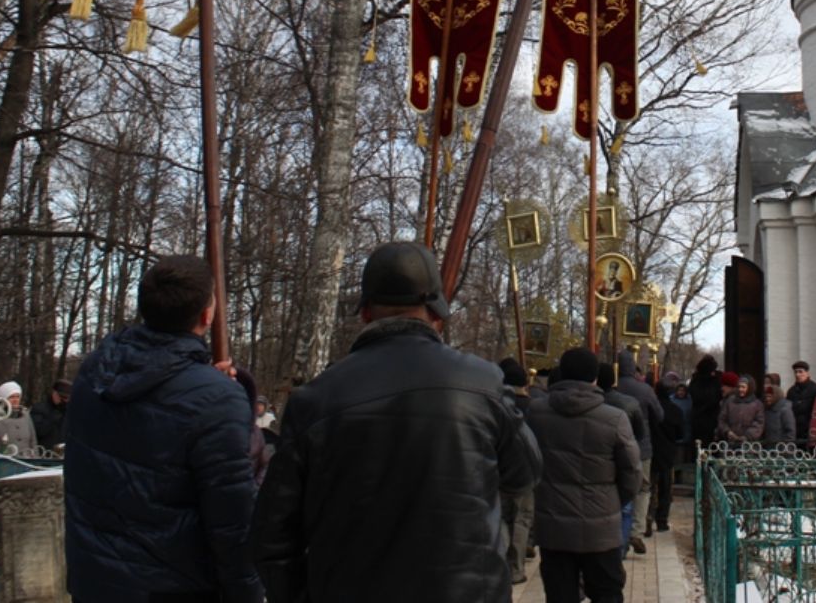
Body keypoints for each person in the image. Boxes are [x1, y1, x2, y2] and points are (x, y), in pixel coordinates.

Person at [251, 242, 542, 603]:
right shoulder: (483, 384)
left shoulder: (315, 398)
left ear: (365, 313)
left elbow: (272, 535)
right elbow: (525, 474)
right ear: (436, 313)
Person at [65, 254, 261, 603]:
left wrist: (214, 389)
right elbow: (232, 521)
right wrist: (247, 593)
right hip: (172, 588)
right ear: (206, 315)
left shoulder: (94, 373)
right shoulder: (215, 399)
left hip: (95, 581)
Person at [526, 349, 640, 603]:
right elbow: (632, 472)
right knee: (607, 593)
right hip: (601, 529)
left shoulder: (536, 413)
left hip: (554, 526)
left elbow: (527, 462)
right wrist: (613, 501)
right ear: (594, 378)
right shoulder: (614, 418)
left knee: (560, 595)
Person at [614, 351, 663, 549]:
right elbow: (659, 415)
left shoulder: (612, 388)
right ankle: (636, 530)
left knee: (618, 486)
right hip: (642, 446)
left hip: (615, 446)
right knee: (642, 488)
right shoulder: (645, 390)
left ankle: (618, 531)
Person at [597, 364, 646, 555]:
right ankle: (621, 548)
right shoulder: (630, 403)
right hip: (625, 456)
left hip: (600, 460)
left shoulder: (594, 403)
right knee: (625, 506)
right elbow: (640, 433)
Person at [500, 357, 535, 585]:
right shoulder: (533, 407)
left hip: (498, 471)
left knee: (501, 518)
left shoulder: (495, 405)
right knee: (521, 519)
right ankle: (516, 567)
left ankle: (501, 563)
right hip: (525, 472)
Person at [650, 375, 683, 532]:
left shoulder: (651, 408)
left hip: (651, 449)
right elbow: (680, 433)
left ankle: (648, 518)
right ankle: (662, 520)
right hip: (668, 452)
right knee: (665, 487)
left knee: (649, 486)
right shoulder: (675, 410)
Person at [0, 380, 38, 455]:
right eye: (11, 397)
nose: (15, 400)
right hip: (1, 461)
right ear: (4, 399)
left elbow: (33, 442)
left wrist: (35, 458)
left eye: (17, 397)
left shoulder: (26, 417)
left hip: (25, 460)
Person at [715, 375, 765, 443]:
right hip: (730, 443)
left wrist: (747, 436)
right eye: (739, 387)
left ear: (750, 388)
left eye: (743, 387)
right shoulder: (730, 401)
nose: (740, 389)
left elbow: (759, 423)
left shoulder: (757, 404)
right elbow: (722, 419)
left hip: (749, 444)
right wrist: (727, 432)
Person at [786, 361, 816, 448]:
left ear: (807, 373)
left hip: (810, 431)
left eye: (800, 372)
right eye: (796, 372)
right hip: (796, 431)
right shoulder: (791, 391)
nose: (798, 374)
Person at [687, 356, 722, 447]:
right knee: (711, 446)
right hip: (711, 418)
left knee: (699, 446)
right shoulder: (715, 382)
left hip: (697, 419)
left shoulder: (695, 381)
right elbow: (716, 397)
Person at [30, 379, 71, 451]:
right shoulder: (39, 408)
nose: (64, 400)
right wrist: (55, 415)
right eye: (61, 397)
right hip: (44, 452)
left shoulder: (68, 412)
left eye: (66, 398)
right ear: (54, 394)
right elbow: (38, 431)